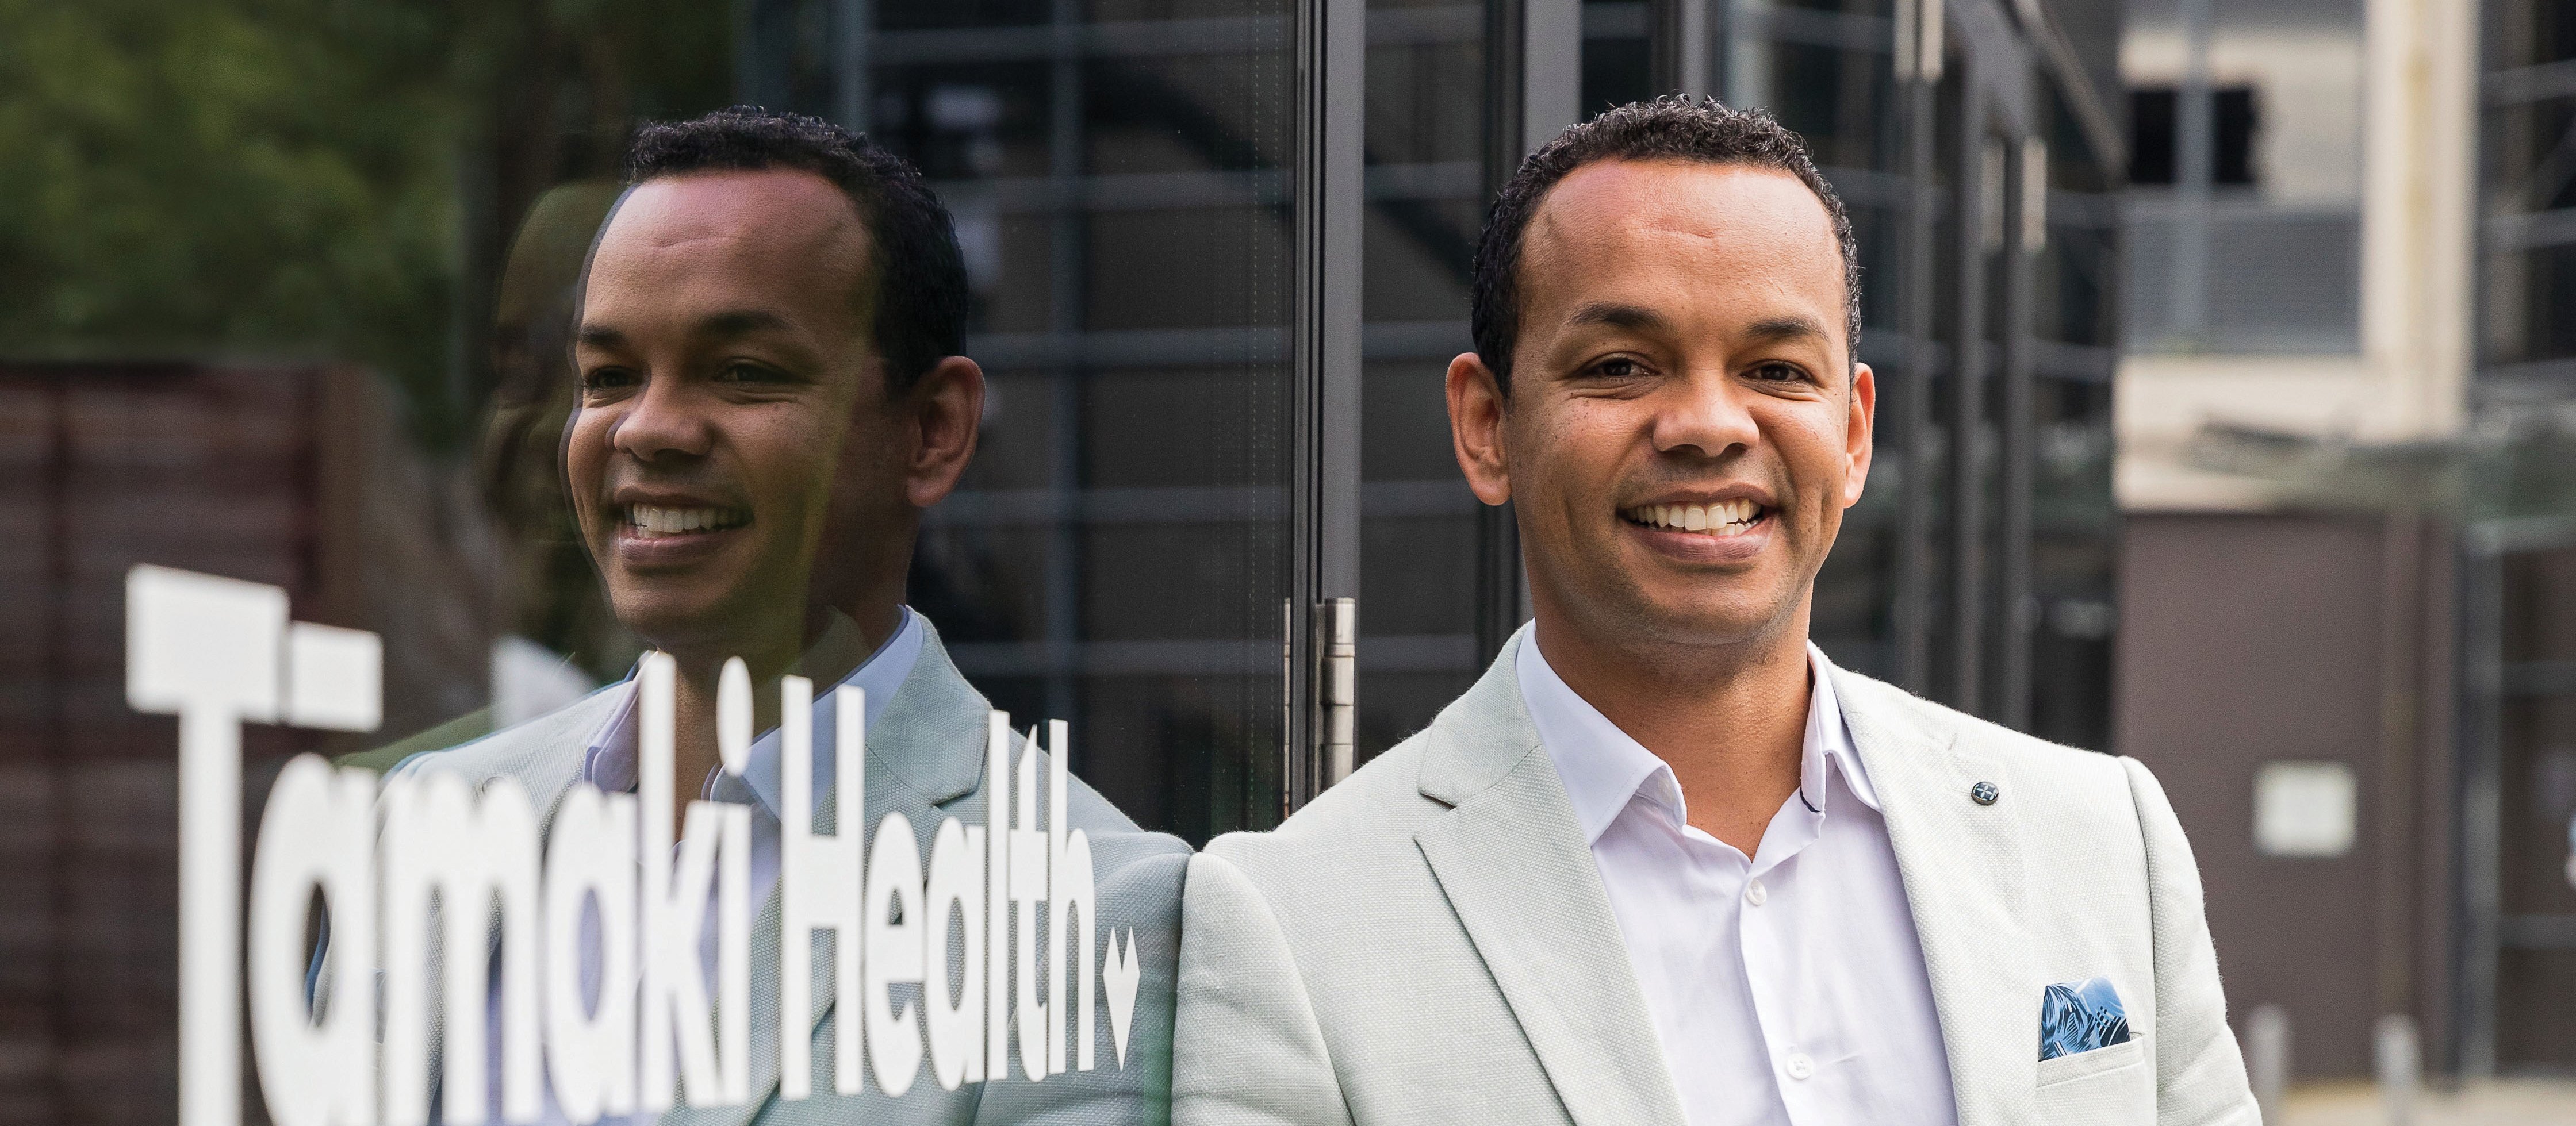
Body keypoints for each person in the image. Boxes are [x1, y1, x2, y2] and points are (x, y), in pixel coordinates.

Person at [1171, 98, 2256, 1125]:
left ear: (1854, 432)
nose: (1706, 425)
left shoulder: (2103, 842)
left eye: (1777, 368)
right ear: (1488, 426)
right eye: (1621, 365)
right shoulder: (1289, 930)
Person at [383, 107, 1187, 1124]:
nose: (650, 428)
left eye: (745, 373)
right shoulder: (426, 827)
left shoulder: (1092, 911)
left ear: (933, 431)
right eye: (610, 377)